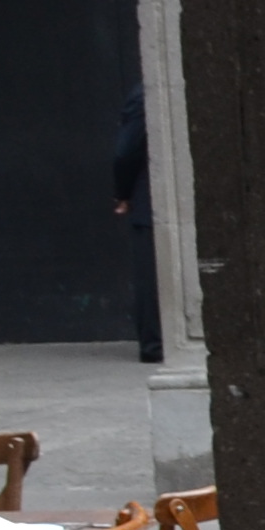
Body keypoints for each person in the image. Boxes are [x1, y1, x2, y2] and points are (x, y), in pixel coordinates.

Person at [109, 85, 160, 360]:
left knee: (151, 276)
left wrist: (123, 193)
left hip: (149, 196)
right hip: (154, 197)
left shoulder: (146, 96)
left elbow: (126, 151)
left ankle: (155, 344)